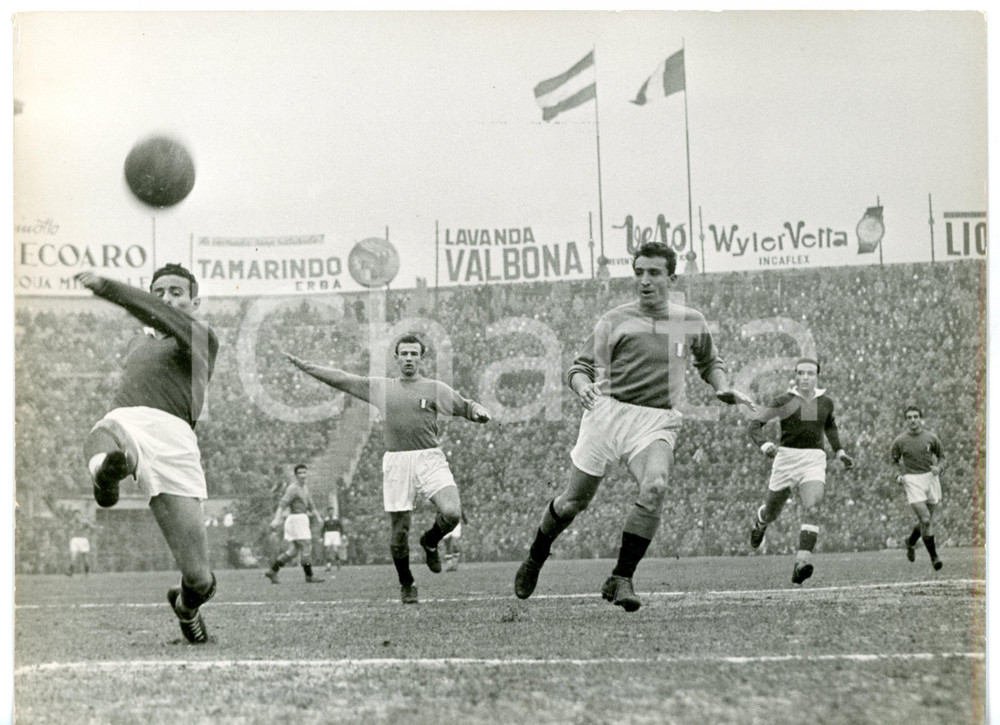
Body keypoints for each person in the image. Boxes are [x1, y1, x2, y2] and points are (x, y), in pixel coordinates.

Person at [514, 241, 754, 611]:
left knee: (656, 486)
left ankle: (621, 577)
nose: (645, 280)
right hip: (607, 413)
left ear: (671, 277)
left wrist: (722, 387)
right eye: (639, 272)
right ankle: (537, 554)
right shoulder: (615, 320)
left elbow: (709, 362)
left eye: (654, 273)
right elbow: (579, 367)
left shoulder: (690, 320)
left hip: (656, 420)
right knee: (572, 503)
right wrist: (582, 387)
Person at [283, 333, 491, 604]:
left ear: (421, 358)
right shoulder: (382, 387)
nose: (408, 358)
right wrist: (306, 366)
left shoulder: (434, 388)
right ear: (396, 358)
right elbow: (343, 379)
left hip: (429, 458)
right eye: (404, 353)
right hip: (397, 461)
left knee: (452, 513)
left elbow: (465, 405)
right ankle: (407, 583)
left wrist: (477, 412)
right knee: (400, 530)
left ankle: (430, 541)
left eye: (414, 354)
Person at [75, 265, 219, 644]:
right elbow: (151, 318)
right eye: (159, 291)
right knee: (106, 432)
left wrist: (108, 287)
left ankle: (186, 607)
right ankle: (105, 476)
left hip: (174, 440)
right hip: (130, 422)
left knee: (200, 579)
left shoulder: (202, 336)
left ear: (194, 302)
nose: (167, 298)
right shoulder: (138, 343)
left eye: (176, 292)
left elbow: (157, 315)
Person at [747, 357, 854, 584]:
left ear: (817, 377)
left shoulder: (825, 402)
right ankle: (760, 521)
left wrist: (840, 451)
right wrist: (764, 445)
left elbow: (829, 426)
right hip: (786, 459)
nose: (805, 377)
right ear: (795, 376)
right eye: (801, 373)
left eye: (810, 373)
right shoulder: (784, 400)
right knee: (772, 512)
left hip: (813, 460)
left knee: (813, 508)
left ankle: (801, 563)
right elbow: (754, 424)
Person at [890, 406, 945, 570]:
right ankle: (934, 557)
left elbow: (943, 457)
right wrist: (897, 475)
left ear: (921, 418)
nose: (913, 420)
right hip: (912, 480)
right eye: (909, 417)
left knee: (926, 521)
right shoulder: (900, 441)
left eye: (915, 417)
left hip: (930, 478)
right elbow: (893, 461)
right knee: (926, 519)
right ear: (906, 420)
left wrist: (939, 468)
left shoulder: (931, 437)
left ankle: (911, 541)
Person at [264, 464, 325, 583]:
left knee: (293, 551)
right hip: (296, 519)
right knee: (306, 546)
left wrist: (318, 517)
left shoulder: (305, 487)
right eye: (300, 473)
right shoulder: (293, 488)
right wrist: (276, 519)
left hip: (301, 519)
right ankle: (309, 576)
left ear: (307, 473)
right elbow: (282, 505)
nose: (302, 475)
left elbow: (311, 505)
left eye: (304, 472)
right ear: (296, 475)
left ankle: (272, 571)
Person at [321, 507, 346, 574]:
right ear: (328, 512)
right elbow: (323, 529)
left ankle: (338, 562)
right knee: (328, 550)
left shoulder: (337, 519)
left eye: (332, 511)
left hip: (335, 534)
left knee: (335, 550)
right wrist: (321, 537)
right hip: (328, 535)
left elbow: (341, 527)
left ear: (333, 512)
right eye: (329, 511)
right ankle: (328, 566)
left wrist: (343, 534)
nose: (331, 512)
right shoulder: (326, 520)